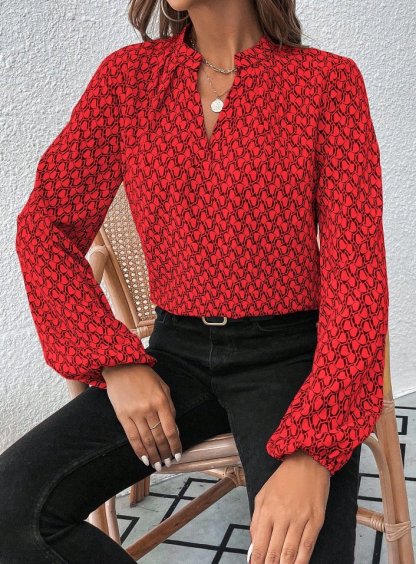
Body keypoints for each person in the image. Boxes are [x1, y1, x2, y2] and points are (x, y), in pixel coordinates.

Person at [0, 0, 389, 562]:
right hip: (173, 356)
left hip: (289, 358)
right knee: (12, 510)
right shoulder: (128, 80)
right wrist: (115, 360)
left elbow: (357, 276)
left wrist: (313, 451)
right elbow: (45, 226)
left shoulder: (327, 83)